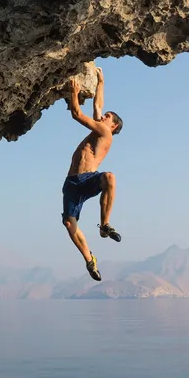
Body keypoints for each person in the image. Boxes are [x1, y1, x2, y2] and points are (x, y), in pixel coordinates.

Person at [61, 67, 123, 281]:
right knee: (69, 224)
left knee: (109, 177)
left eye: (107, 117)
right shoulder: (99, 128)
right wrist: (101, 81)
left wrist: (74, 93)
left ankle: (105, 224)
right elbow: (98, 105)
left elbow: (77, 114)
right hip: (71, 183)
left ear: (113, 126)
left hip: (88, 179)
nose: (103, 116)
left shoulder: (105, 132)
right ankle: (90, 260)